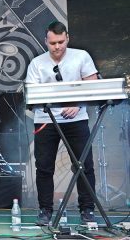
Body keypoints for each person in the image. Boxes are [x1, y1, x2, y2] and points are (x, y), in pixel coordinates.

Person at [25, 21, 98, 226]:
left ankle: (87, 210)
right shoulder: (37, 63)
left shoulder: (81, 56)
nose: (57, 47)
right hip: (46, 119)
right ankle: (45, 210)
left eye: (61, 42)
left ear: (67, 38)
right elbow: (31, 94)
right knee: (44, 167)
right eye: (52, 43)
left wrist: (77, 103)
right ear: (45, 42)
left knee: (84, 165)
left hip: (76, 117)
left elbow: (92, 84)